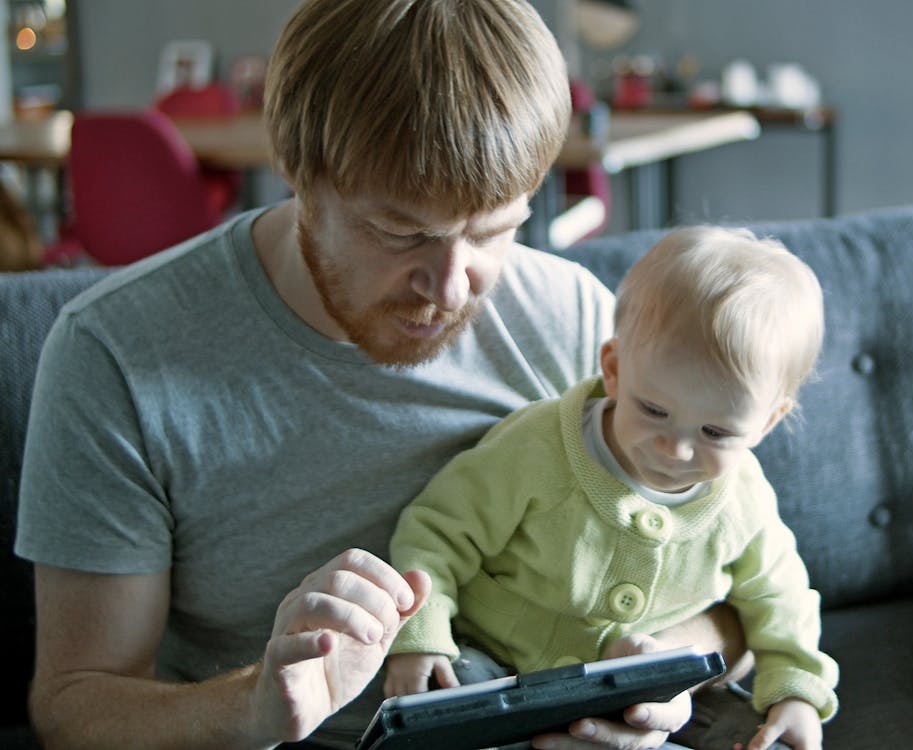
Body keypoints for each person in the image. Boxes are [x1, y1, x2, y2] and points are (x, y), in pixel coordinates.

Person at [12, 1, 737, 748]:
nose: (452, 288)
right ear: (294, 169)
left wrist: (655, 677)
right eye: (401, 232)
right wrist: (253, 706)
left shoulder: (574, 319)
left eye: (493, 230)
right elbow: (75, 705)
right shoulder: (116, 350)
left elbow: (744, 590)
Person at [385, 227, 840, 750]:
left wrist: (798, 692)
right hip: (497, 669)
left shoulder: (744, 501)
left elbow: (781, 597)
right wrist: (419, 637)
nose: (676, 450)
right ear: (615, 368)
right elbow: (437, 534)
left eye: (716, 433)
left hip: (649, 700)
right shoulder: (537, 448)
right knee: (455, 697)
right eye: (654, 411)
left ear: (768, 422)